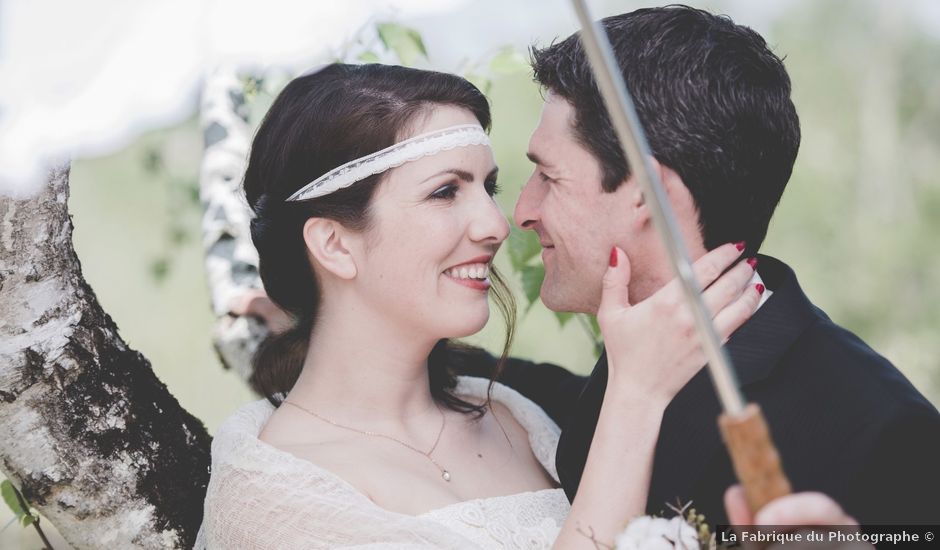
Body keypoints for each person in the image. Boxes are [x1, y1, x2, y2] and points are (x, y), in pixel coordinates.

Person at [199, 63, 855, 549]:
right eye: (445, 192)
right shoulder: (270, 494)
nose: (494, 223)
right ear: (335, 244)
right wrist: (637, 394)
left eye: (488, 186)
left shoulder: (517, 417)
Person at [460, 6, 940, 526]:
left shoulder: (887, 435)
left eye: (548, 177)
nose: (522, 212)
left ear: (645, 196)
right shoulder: (623, 368)